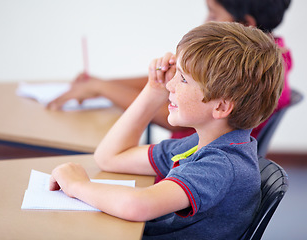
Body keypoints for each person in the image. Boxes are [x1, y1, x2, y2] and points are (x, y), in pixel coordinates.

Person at [49, 22, 284, 239]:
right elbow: (110, 158)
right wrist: (153, 89)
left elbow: (137, 205)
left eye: (182, 79)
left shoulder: (221, 164)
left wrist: (77, 186)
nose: (170, 84)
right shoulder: (203, 144)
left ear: (221, 106)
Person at [47, 0, 292, 141]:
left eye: (213, 14)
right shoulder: (266, 57)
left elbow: (173, 117)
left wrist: (102, 88)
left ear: (245, 24)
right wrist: (101, 84)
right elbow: (166, 77)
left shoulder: (250, 71)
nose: (206, 21)